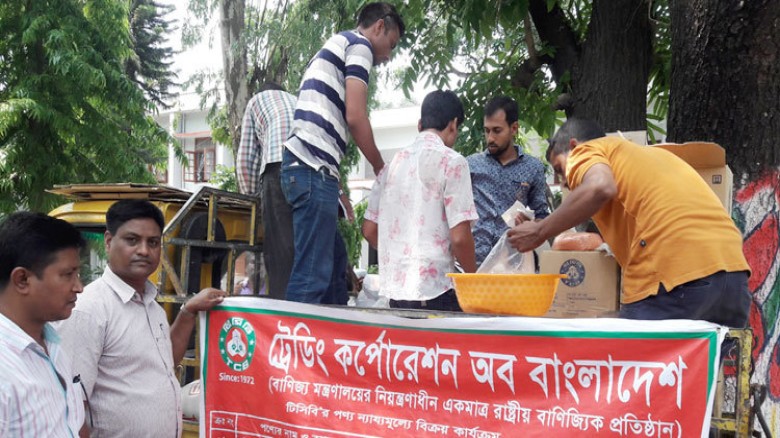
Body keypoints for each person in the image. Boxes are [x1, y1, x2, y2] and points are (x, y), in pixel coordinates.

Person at [508, 118, 751, 326]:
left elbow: (600, 187)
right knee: (709, 377)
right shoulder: (649, 157)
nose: (565, 183)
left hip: (675, 274)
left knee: (634, 371)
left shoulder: (587, 150)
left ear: (573, 145)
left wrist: (540, 230)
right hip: (732, 274)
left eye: (560, 169)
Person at [57, 200, 226, 437]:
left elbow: (164, 363)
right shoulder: (89, 310)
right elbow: (70, 409)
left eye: (153, 242)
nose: (144, 250)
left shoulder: (151, 305)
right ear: (108, 241)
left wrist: (188, 312)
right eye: (132, 240)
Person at [281, 2, 404, 304]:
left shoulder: (338, 45)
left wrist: (336, 187)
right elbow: (356, 116)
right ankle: (293, 346)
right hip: (312, 166)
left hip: (313, 168)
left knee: (335, 268)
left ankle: (334, 339)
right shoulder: (359, 45)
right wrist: (379, 166)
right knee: (312, 275)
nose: (387, 57)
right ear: (379, 26)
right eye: (391, 44)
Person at [362, 90, 478, 311]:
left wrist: (401, 254)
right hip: (437, 290)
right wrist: (474, 279)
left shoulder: (390, 167)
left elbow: (368, 229)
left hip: (396, 292)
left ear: (419, 125)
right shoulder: (452, 162)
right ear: (453, 125)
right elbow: (460, 238)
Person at [0, 212, 86, 437]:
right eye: (68, 274)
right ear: (22, 280)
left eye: (78, 273)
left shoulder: (53, 345)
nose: (79, 287)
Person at [467, 96, 550, 266]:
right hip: (475, 263)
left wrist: (531, 225)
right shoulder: (470, 166)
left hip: (513, 263)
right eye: (487, 130)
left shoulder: (533, 168)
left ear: (514, 128)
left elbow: (542, 216)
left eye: (497, 130)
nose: (490, 138)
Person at [236, 82, 296, 299]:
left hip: (280, 164)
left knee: (280, 249)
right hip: (316, 168)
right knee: (306, 247)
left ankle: (283, 310)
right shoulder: (298, 101)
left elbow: (246, 159)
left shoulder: (256, 102)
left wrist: (251, 200)